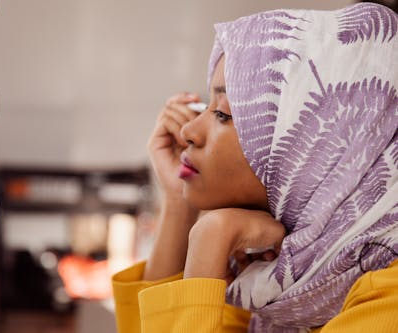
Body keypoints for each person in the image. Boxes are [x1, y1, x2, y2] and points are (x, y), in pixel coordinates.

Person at [112, 3, 398, 332]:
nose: (188, 132)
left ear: (313, 149)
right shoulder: (273, 280)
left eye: (222, 113)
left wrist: (209, 242)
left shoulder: (389, 301)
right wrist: (179, 204)